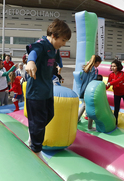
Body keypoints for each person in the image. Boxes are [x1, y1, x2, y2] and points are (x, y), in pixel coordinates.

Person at [25, 18, 71, 162]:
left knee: (49, 115)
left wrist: (59, 65)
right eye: (63, 40)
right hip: (36, 92)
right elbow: (33, 52)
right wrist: (31, 62)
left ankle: (33, 131)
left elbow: (57, 58)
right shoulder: (42, 44)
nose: (64, 44)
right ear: (54, 35)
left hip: (47, 90)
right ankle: (36, 151)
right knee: (38, 122)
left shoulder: (55, 49)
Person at [106, 59, 124, 127]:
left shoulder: (122, 73)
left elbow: (118, 81)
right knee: (116, 109)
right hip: (116, 94)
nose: (112, 68)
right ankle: (115, 123)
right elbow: (108, 84)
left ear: (118, 67)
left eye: (114, 66)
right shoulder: (111, 75)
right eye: (112, 66)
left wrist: (110, 83)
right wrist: (104, 88)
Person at [77, 55, 102, 130]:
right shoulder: (95, 69)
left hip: (83, 89)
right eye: (99, 63)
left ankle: (76, 119)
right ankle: (90, 127)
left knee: (84, 105)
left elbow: (82, 78)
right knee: (90, 107)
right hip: (89, 90)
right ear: (97, 62)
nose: (98, 65)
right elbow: (93, 81)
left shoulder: (86, 68)